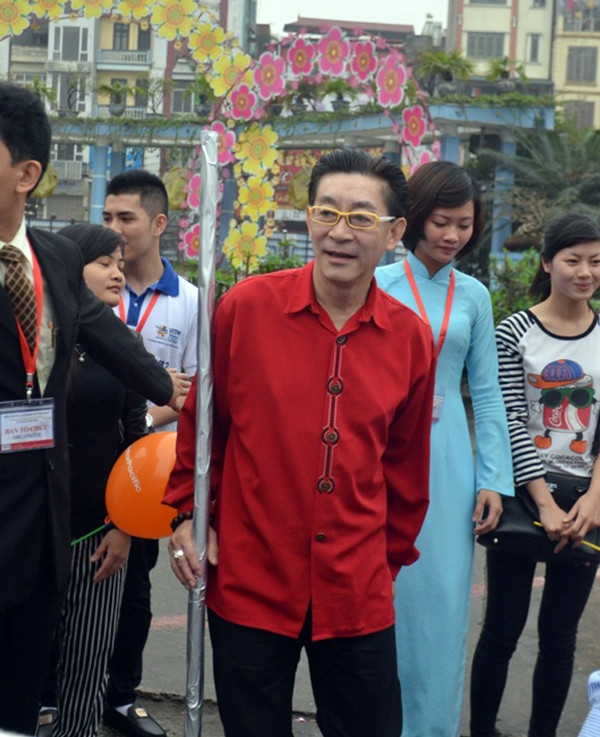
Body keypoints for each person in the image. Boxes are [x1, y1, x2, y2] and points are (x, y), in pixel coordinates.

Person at [164, 147, 437, 737]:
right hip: (251, 578)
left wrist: (382, 563)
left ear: (394, 233)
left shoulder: (410, 338)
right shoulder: (246, 309)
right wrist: (186, 512)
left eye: (360, 217)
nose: (339, 232)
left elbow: (407, 469)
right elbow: (204, 429)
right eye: (326, 212)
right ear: (309, 218)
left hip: (357, 588)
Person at [0, 82, 186, 736]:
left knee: (20, 701)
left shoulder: (53, 258)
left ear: (26, 174)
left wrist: (175, 392)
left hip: (42, 521)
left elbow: (111, 340)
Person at [375, 160, 514, 737]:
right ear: (412, 219)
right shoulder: (377, 282)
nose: (453, 235)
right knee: (379, 599)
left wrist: (494, 480)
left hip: (450, 461)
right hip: (380, 453)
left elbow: (488, 391)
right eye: (441, 222)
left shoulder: (474, 296)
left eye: (464, 224)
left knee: (443, 601)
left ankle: (431, 727)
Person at [470, 213, 600, 737]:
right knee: (501, 631)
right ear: (547, 263)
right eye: (573, 260)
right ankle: (482, 729)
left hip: (586, 505)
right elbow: (509, 421)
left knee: (560, 637)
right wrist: (544, 502)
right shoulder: (514, 332)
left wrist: (594, 498)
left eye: (596, 262)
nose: (585, 272)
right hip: (524, 499)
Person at [39, 224, 146, 737]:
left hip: (98, 534)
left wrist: (123, 527)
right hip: (33, 532)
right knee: (21, 661)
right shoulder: (34, 340)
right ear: (68, 269)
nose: (117, 273)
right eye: (104, 263)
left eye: (121, 264)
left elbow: (135, 442)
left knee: (87, 664)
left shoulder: (126, 345)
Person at [102, 169, 198, 737]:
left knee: (134, 589)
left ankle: (119, 699)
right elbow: (171, 392)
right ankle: (53, 695)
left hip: (145, 475)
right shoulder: (90, 287)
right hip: (89, 458)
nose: (114, 228)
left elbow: (195, 394)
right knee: (69, 580)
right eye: (107, 217)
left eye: (127, 217)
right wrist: (162, 395)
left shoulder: (190, 302)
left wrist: (158, 408)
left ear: (159, 223)